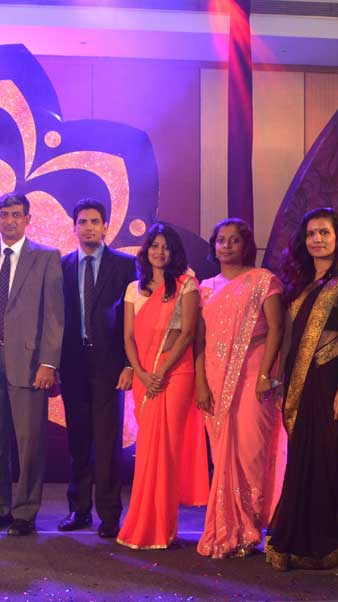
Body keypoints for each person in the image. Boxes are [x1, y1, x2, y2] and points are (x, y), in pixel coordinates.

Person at [266, 207, 338, 571]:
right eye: (311, 233)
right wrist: (280, 382)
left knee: (325, 461)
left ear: (337, 237)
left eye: (324, 233)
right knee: (300, 461)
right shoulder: (302, 285)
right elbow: (290, 340)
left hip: (332, 383)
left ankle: (321, 545)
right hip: (301, 385)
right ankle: (291, 540)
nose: (317, 239)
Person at [0, 193, 64, 536]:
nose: (10, 220)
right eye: (4, 214)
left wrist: (48, 363)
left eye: (16, 215)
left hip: (29, 363)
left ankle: (25, 513)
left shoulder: (46, 257)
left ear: (27, 219)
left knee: (29, 444)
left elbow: (54, 315)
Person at [195, 218, 286, 559]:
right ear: (214, 245)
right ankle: (226, 526)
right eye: (221, 240)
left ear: (246, 245)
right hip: (215, 380)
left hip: (252, 377)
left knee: (250, 454)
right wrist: (200, 383)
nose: (227, 245)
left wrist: (265, 375)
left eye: (234, 240)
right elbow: (199, 341)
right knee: (222, 456)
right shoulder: (205, 288)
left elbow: (276, 329)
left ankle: (250, 530)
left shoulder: (263, 281)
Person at [117, 223, 208, 549]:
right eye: (154, 246)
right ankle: (143, 522)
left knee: (167, 451)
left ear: (174, 252)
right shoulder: (134, 289)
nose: (159, 251)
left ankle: (163, 527)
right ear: (146, 251)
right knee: (147, 452)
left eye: (165, 246)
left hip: (177, 374)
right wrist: (142, 374)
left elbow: (188, 334)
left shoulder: (186, 285)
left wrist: (162, 371)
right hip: (146, 377)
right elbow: (128, 338)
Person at [57, 199, 136, 538]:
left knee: (106, 443)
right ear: (74, 227)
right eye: (82, 221)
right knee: (78, 441)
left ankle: (109, 514)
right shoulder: (61, 265)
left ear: (105, 226)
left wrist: (129, 363)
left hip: (109, 365)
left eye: (94, 221)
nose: (88, 227)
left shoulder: (126, 265)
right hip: (72, 363)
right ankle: (79, 510)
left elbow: (134, 320)